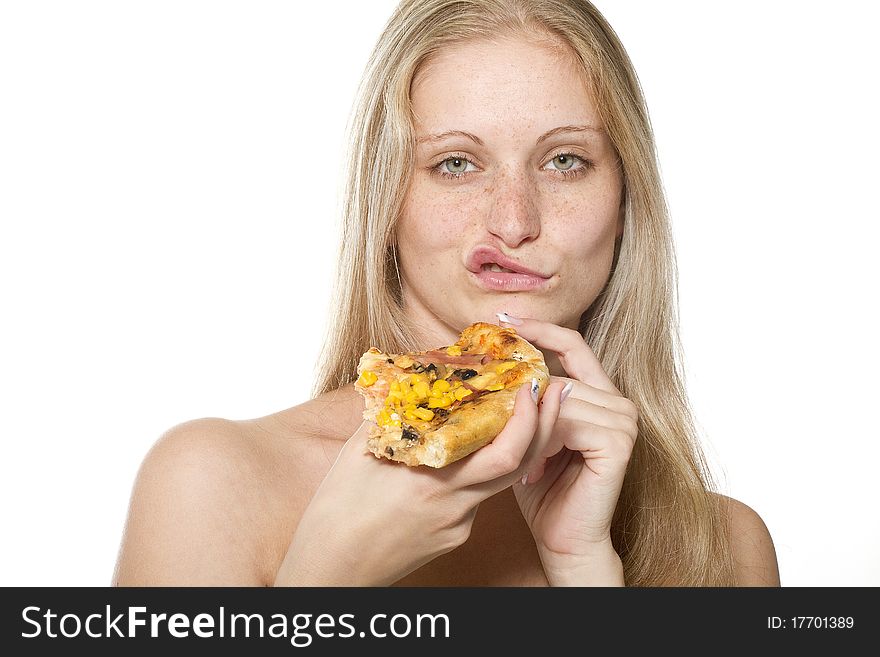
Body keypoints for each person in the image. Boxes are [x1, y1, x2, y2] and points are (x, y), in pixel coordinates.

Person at [113, 0, 779, 586]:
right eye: (456, 163)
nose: (514, 220)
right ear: (388, 202)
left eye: (565, 159)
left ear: (627, 198)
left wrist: (583, 573)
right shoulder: (214, 488)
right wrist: (325, 579)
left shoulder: (725, 549)